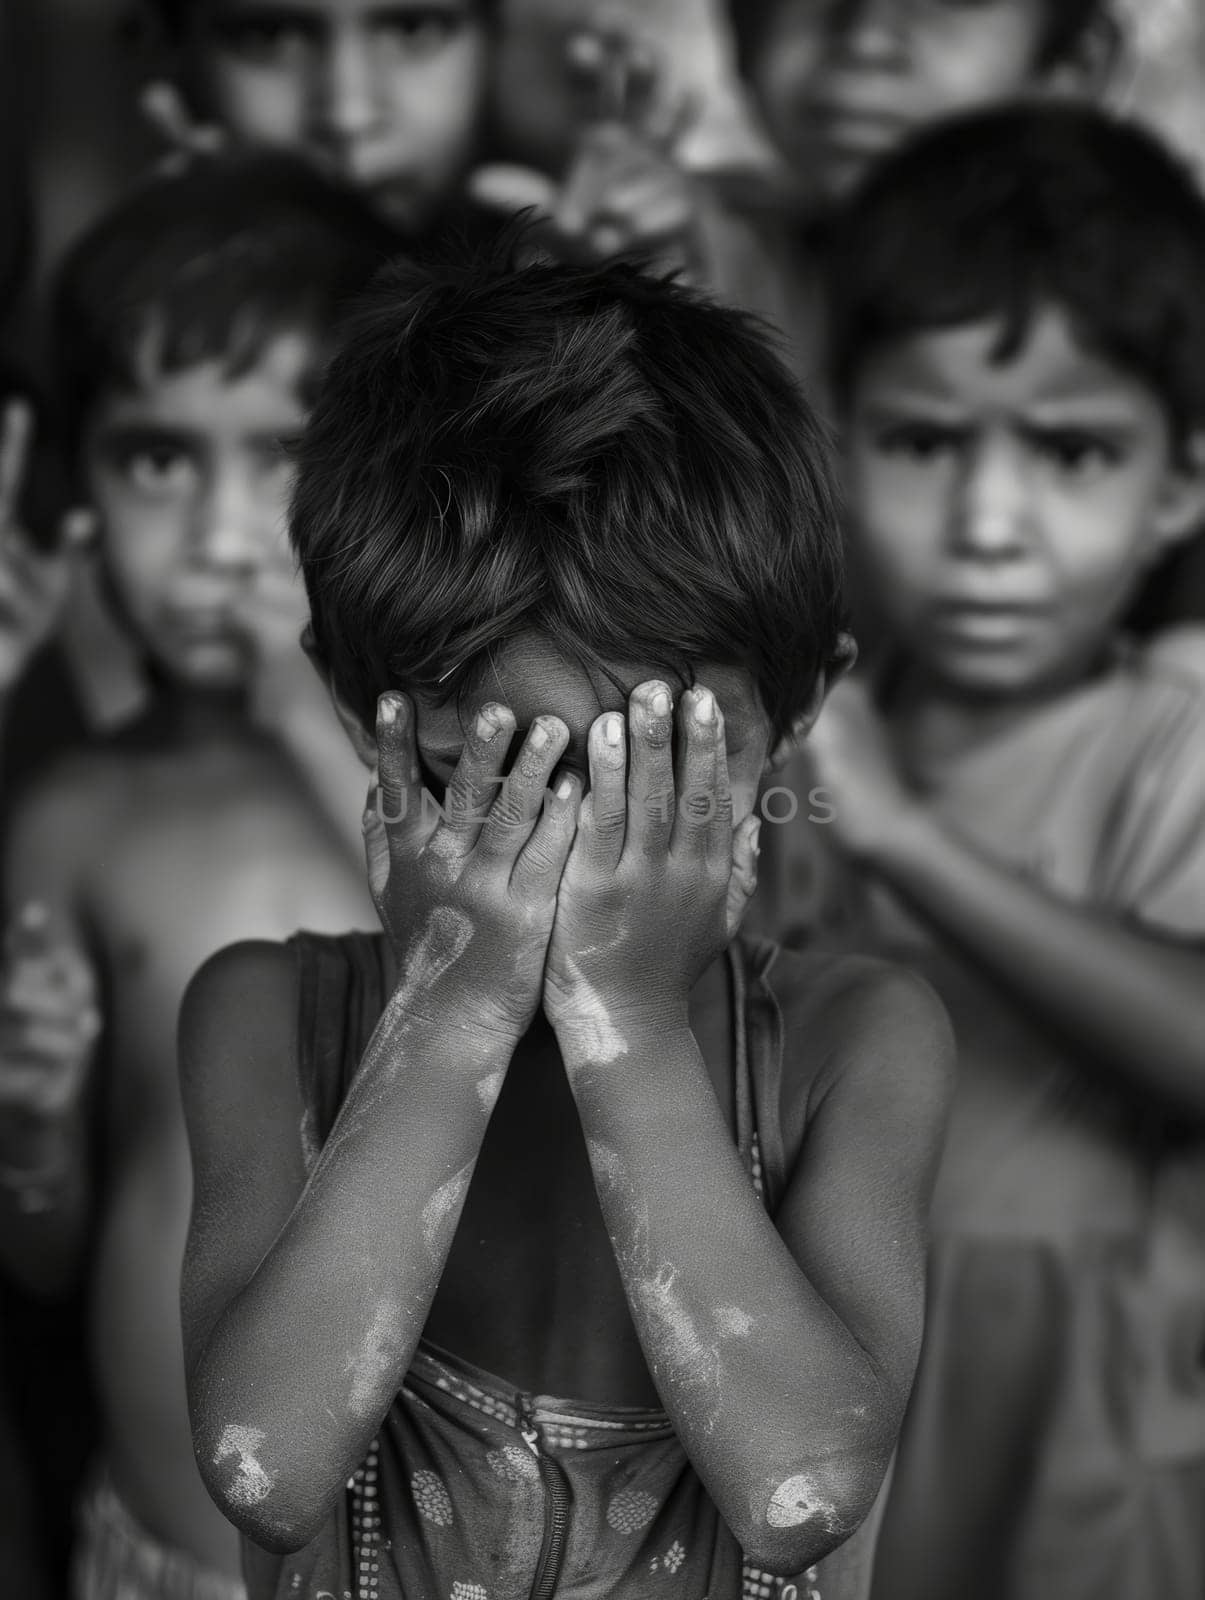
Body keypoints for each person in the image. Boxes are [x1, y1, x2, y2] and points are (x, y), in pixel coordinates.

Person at [176, 245, 954, 1600]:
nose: (568, 860)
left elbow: (803, 1495)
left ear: (802, 712)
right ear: (360, 716)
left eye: (651, 785)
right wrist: (453, 1008)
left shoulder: (853, 1043)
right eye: (488, 783)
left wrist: (631, 1019)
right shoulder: (264, 1020)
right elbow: (267, 1473)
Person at [769, 103, 1205, 1600]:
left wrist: (906, 839)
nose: (988, 526)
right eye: (921, 443)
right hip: (825, 1357)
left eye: (1073, 452)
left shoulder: (1173, 733)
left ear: (1181, 484)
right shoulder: (816, 719)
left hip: (1076, 1413)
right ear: (835, 444)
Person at [0, 152, 396, 1600]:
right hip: (167, 1557)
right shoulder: (79, 815)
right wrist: (31, 1121)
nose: (224, 541)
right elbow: (44, 1261)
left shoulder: (473, 781)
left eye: (284, 458)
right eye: (160, 459)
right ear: (84, 478)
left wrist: (310, 711)